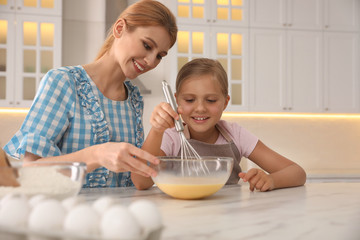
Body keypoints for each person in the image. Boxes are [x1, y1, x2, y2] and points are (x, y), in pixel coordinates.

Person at [3, 0, 178, 188]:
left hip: (117, 215)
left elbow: (138, 178)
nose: (151, 61)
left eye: (160, 55)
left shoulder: (134, 99)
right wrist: (97, 155)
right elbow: (31, 172)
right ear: (119, 29)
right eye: (146, 45)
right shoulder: (63, 82)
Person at [131, 58, 306, 191]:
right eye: (190, 99)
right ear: (177, 101)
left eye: (211, 100)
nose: (200, 108)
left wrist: (271, 180)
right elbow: (140, 181)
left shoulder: (235, 134)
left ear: (225, 102)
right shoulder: (172, 136)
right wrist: (156, 130)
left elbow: (297, 172)